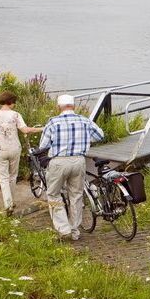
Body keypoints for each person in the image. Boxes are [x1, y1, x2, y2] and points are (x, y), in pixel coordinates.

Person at [39, 94, 104, 241]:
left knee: (53, 194)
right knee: (76, 196)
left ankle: (64, 229)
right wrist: (86, 140)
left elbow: (43, 145)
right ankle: (75, 231)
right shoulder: (84, 120)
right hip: (79, 161)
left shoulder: (53, 122)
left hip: (59, 162)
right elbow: (100, 136)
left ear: (59, 107)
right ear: (73, 106)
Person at [0, 91, 43, 216]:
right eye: (14, 102)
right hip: (14, 148)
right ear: (11, 102)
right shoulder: (15, 115)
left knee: (3, 177)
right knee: (13, 175)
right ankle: (11, 201)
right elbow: (25, 130)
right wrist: (42, 128)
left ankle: (8, 204)